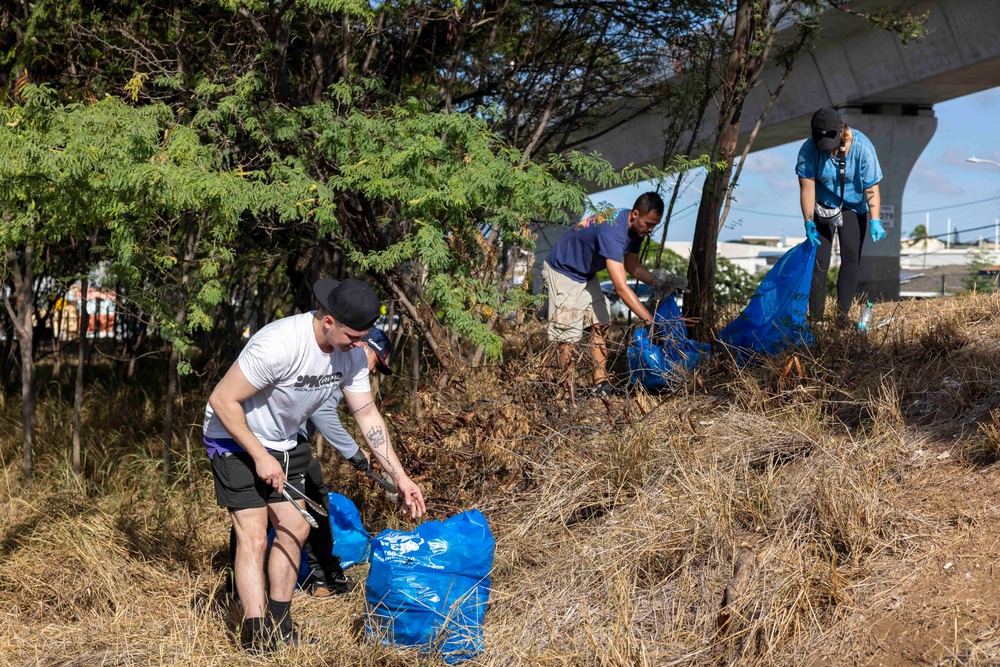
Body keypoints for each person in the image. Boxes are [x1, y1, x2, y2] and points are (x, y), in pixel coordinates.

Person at [203, 279, 425, 653]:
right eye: (353, 336)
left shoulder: (353, 353)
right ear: (327, 321)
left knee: (295, 528)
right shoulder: (279, 344)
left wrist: (399, 476)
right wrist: (259, 456)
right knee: (254, 536)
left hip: (285, 442)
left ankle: (280, 625)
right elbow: (222, 399)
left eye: (364, 337)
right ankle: (257, 636)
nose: (359, 345)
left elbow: (367, 415)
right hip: (234, 437)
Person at [225, 328, 396, 599]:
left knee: (270, 515)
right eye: (378, 362)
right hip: (270, 442)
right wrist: (356, 455)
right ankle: (324, 577)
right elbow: (323, 414)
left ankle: (316, 577)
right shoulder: (339, 362)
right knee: (280, 512)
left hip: (283, 442)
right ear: (366, 348)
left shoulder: (340, 364)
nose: (374, 371)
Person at [543, 192, 685, 396]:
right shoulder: (614, 231)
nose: (651, 229)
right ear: (635, 214)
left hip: (585, 274)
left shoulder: (636, 231)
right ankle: (565, 391)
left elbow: (632, 265)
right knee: (568, 334)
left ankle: (600, 385)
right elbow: (621, 288)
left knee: (600, 323)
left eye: (655, 225)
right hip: (562, 271)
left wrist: (660, 283)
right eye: (648, 223)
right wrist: (650, 321)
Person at [797, 107, 885, 323]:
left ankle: (842, 316)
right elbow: (807, 189)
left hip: (853, 206)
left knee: (850, 255)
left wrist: (875, 219)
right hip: (823, 206)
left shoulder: (862, 147)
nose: (827, 150)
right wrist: (808, 221)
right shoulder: (809, 150)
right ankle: (816, 320)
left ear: (840, 130)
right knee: (820, 261)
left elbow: (871, 188)